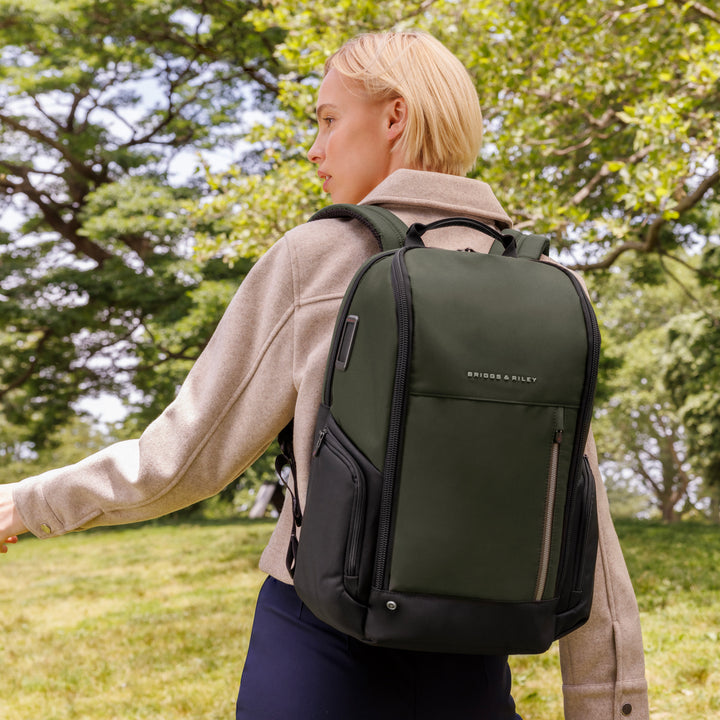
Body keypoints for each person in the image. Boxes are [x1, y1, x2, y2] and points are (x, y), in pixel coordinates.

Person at [0, 31, 649, 720]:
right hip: (471, 666)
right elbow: (586, 528)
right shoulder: (546, 284)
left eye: (328, 118)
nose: (314, 147)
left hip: (318, 652)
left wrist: (24, 504)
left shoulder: (321, 256)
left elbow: (182, 457)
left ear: (394, 117)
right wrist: (613, 707)